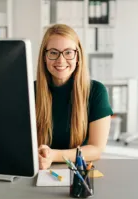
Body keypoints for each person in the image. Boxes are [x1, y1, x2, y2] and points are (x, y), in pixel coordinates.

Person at [35, 24, 113, 170]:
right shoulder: (29, 91)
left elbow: (96, 149)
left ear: (78, 56)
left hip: (79, 172)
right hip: (38, 170)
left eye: (68, 52)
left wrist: (53, 156)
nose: (61, 60)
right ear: (44, 57)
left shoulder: (96, 91)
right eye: (53, 52)